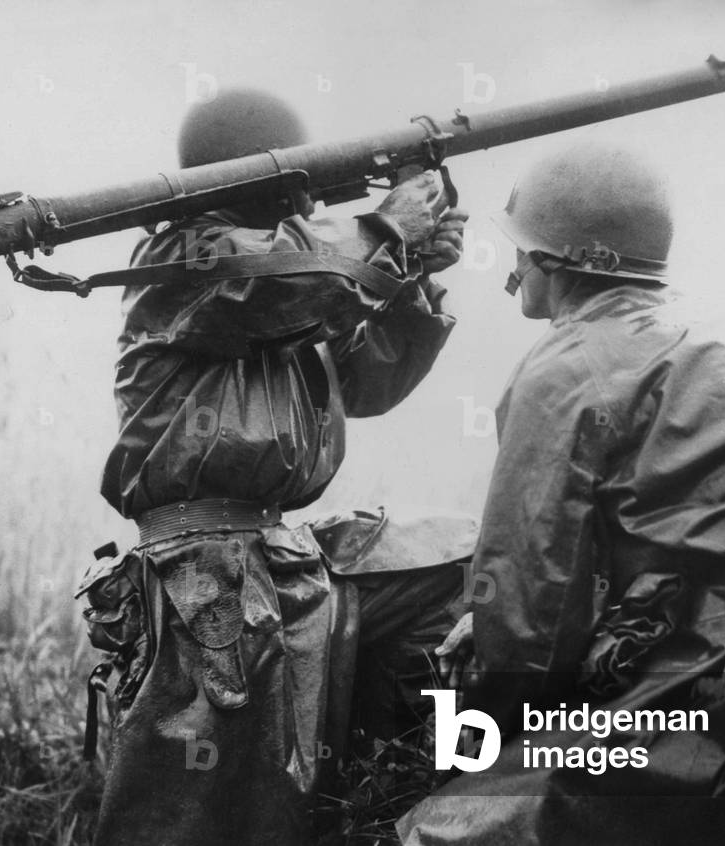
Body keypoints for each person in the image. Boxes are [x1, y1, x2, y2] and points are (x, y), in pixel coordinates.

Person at [399, 142, 725, 845]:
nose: (514, 265)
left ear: (553, 261)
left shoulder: (562, 369)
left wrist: (474, 743)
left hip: (697, 682)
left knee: (447, 829)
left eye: (520, 248)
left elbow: (530, 614)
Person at [77, 88, 470, 846]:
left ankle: (389, 795)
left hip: (273, 559)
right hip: (207, 580)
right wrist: (382, 228)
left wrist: (408, 269)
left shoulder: (294, 280)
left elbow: (370, 382)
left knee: (452, 568)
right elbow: (277, 284)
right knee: (200, 821)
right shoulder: (185, 256)